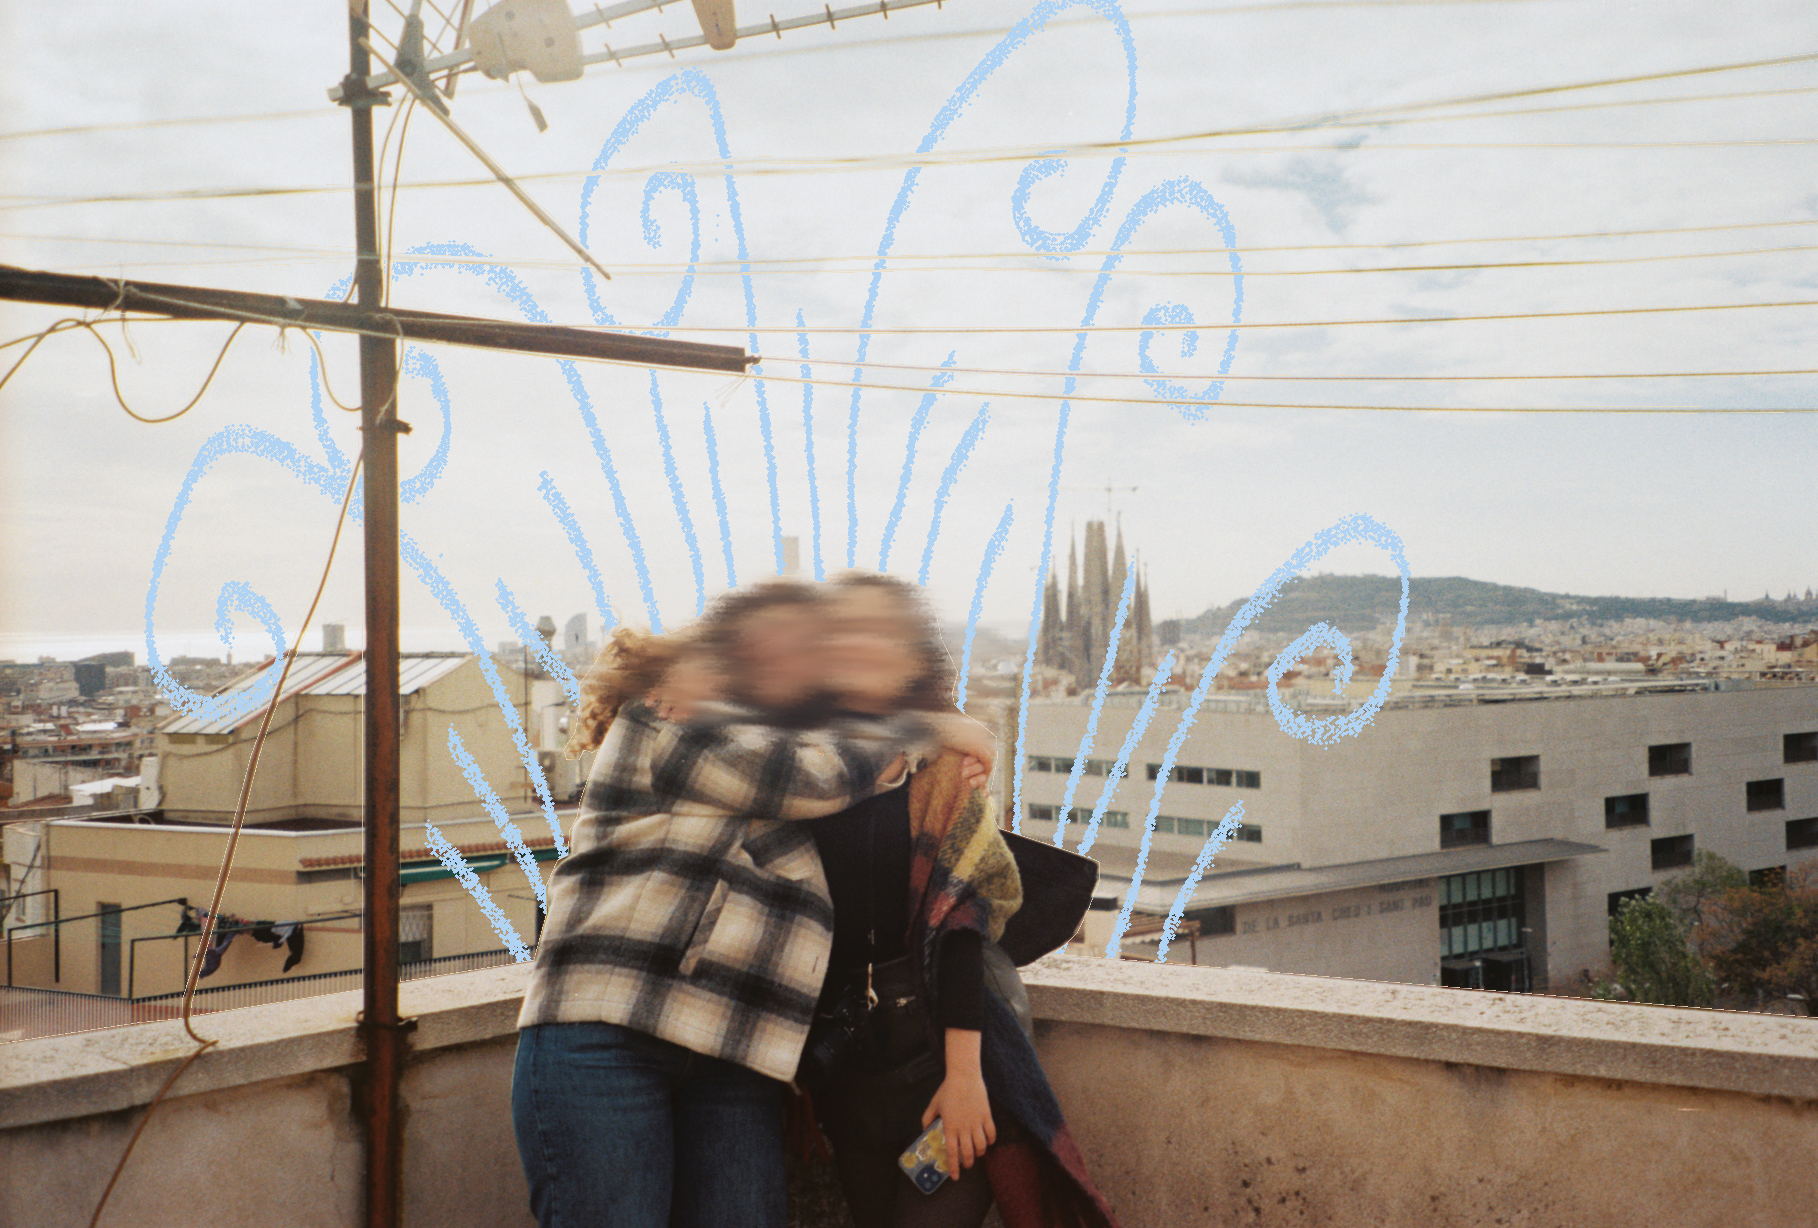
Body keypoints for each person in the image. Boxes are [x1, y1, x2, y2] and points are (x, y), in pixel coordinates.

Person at [512, 578, 995, 1228]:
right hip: (608, 1031)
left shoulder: (809, 764)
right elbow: (808, 777)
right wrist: (927, 731)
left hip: (734, 1059)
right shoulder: (674, 711)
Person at [801, 571, 1123, 1228]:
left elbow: (962, 925)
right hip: (845, 1060)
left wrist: (967, 1076)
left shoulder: (944, 771)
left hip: (939, 1046)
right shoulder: (801, 770)